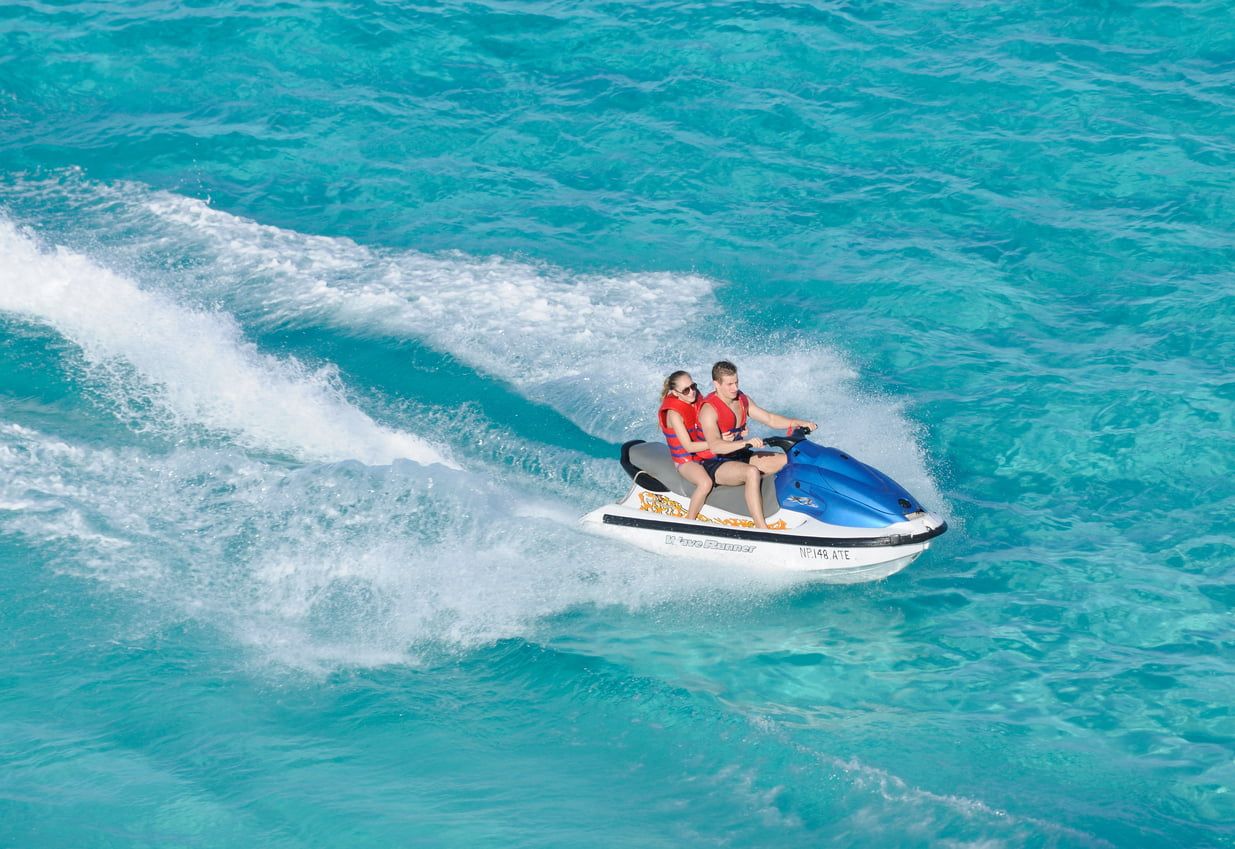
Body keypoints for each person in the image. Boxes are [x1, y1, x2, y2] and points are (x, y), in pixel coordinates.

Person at [699, 360, 818, 479]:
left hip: (740, 454)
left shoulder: (742, 400)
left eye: (736, 382)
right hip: (716, 462)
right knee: (752, 472)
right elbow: (715, 446)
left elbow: (770, 419)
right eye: (730, 384)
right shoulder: (709, 410)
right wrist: (746, 442)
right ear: (717, 384)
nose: (735, 388)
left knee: (792, 460)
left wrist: (796, 422)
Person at [657, 371, 716, 521]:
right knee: (705, 483)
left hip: (703, 452)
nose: (692, 392)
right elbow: (689, 447)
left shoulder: (696, 400)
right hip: (686, 460)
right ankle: (689, 520)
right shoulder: (674, 414)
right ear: (675, 393)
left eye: (693, 386)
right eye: (686, 390)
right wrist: (717, 443)